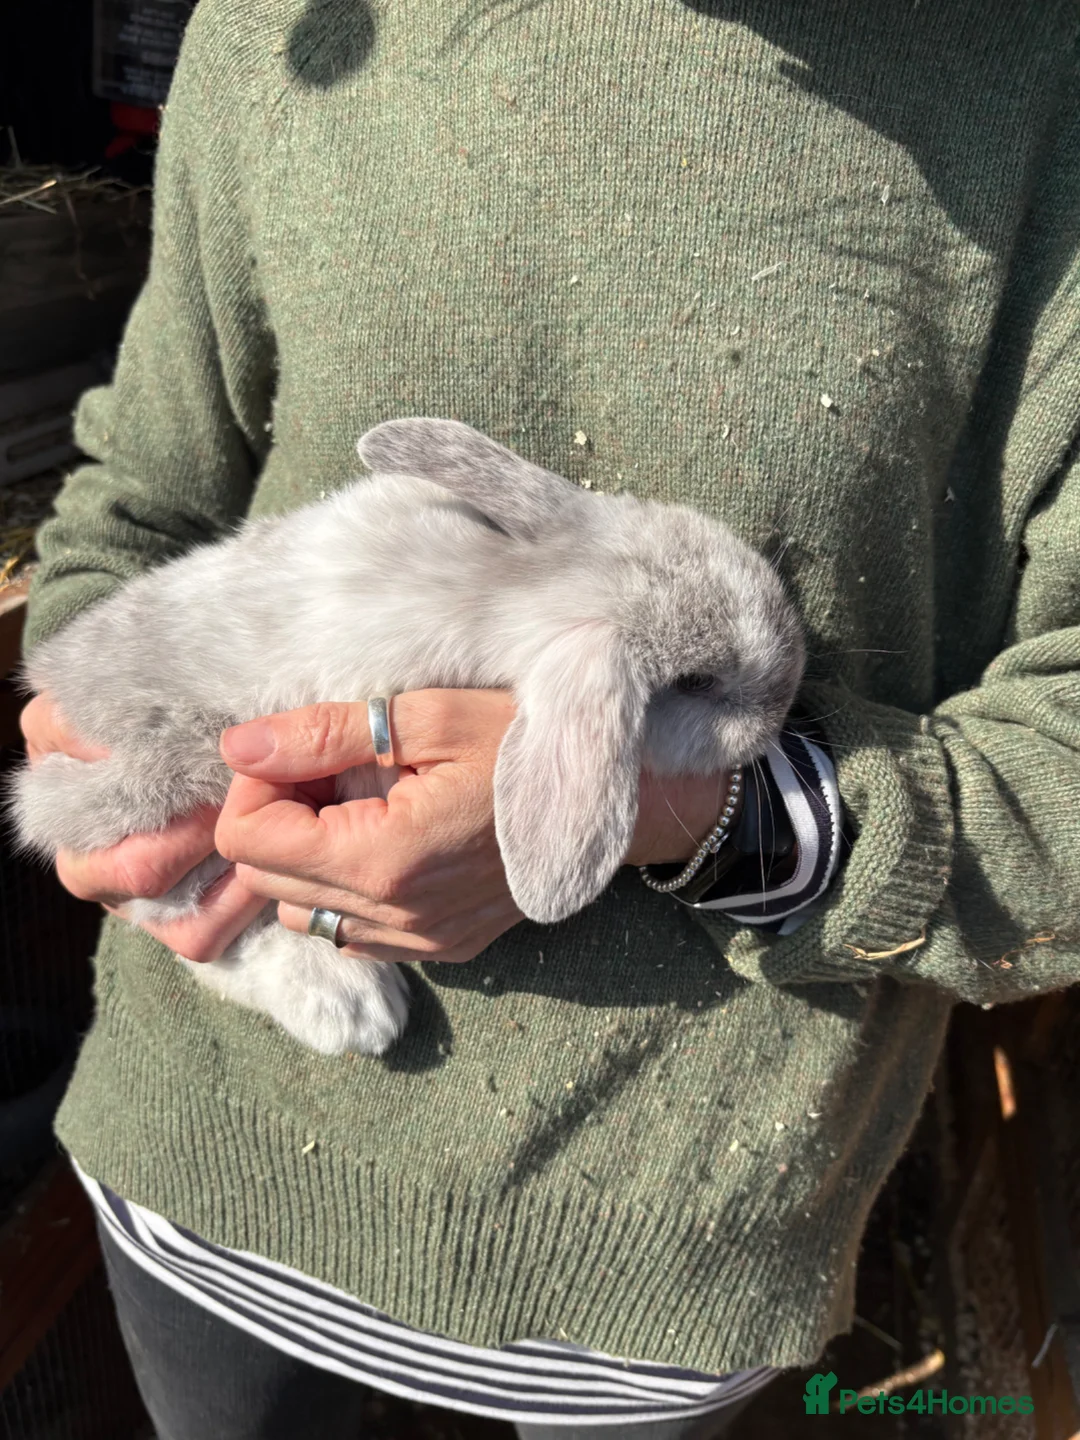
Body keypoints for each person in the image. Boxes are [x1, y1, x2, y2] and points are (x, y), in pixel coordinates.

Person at [21, 1, 1080, 1436]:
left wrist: (681, 812)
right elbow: (138, 497)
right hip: (203, 1170)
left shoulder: (1038, 85)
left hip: (645, 1280)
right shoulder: (272, 26)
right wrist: (123, 785)